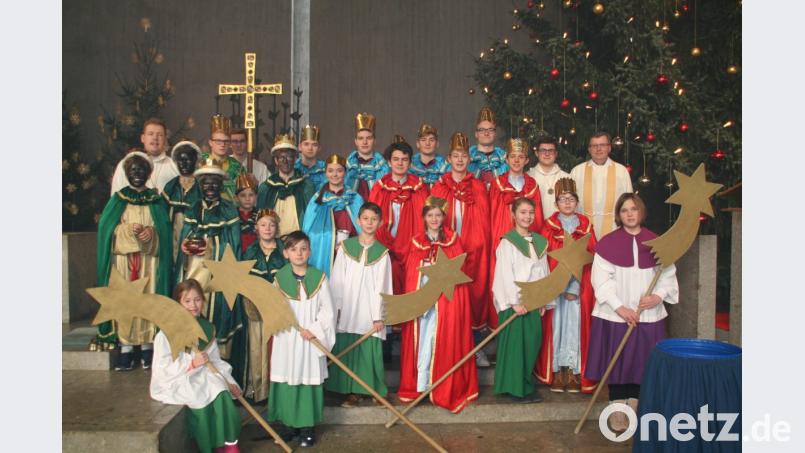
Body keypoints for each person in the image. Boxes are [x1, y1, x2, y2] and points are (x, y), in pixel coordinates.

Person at [586, 193, 679, 432]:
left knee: (642, 362)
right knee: (617, 361)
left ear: (641, 212)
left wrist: (658, 296)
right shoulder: (607, 243)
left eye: (634, 209)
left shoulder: (657, 242)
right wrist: (620, 307)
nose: (629, 214)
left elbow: (667, 276)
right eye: (624, 210)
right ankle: (618, 409)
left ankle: (635, 406)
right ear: (619, 215)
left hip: (648, 314)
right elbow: (600, 280)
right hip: (616, 314)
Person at [398, 196, 479, 413]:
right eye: (430, 215)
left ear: (444, 217)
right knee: (423, 340)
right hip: (423, 300)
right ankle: (421, 385)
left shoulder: (453, 240)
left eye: (438, 215)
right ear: (424, 217)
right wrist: (425, 269)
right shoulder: (416, 241)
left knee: (442, 339)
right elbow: (411, 270)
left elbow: (458, 273)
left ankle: (440, 384)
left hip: (445, 301)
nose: (434, 219)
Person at [96, 151, 173, 370]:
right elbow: (106, 231)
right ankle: (127, 347)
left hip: (149, 262)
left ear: (149, 174)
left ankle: (148, 345)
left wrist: (152, 234)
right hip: (124, 263)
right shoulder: (118, 200)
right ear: (126, 173)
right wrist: (127, 231)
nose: (137, 174)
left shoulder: (156, 200)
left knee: (148, 298)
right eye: (133, 170)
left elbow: (164, 231)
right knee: (125, 301)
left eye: (142, 170)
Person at [175, 158, 247, 387]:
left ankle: (219, 373)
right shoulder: (193, 208)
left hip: (219, 276)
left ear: (221, 184)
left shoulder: (228, 209)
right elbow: (185, 237)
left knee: (218, 315)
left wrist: (211, 247)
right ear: (200, 184)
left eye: (215, 182)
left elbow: (233, 246)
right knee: (193, 310)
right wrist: (186, 246)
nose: (210, 187)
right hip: (195, 271)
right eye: (206, 182)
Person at [150, 279, 242, 453]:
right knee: (198, 395)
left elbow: (215, 361)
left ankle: (227, 444)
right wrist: (190, 363)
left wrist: (229, 381)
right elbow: (162, 366)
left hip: (203, 372)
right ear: (178, 303)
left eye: (197, 299)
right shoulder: (167, 332)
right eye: (187, 301)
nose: (193, 305)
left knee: (221, 390)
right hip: (179, 377)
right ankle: (207, 446)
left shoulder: (206, 328)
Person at [268, 231, 336, 448]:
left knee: (307, 379)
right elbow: (273, 308)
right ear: (285, 253)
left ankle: (307, 428)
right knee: (287, 377)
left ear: (310, 252)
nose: (299, 253)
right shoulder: (279, 279)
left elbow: (328, 311)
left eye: (303, 249)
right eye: (294, 249)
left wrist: (314, 329)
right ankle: (288, 426)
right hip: (287, 339)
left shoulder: (319, 278)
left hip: (309, 340)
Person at [431, 132, 493, 366]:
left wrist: (478, 246)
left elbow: (485, 221)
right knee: (449, 298)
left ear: (469, 159)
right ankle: (448, 349)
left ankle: (475, 348)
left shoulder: (478, 186)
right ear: (448, 158)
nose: (459, 160)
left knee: (474, 296)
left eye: (464, 156)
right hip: (447, 252)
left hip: (473, 252)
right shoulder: (439, 186)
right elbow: (432, 220)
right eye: (455, 156)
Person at [326, 202, 393, 407]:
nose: (369, 223)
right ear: (358, 220)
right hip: (347, 308)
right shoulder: (346, 248)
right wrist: (336, 309)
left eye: (374, 219)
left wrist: (379, 316)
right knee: (347, 347)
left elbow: (383, 286)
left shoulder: (382, 253)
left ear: (380, 223)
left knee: (369, 350)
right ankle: (350, 391)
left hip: (369, 312)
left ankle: (373, 389)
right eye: (365, 218)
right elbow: (337, 281)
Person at [535, 178, 598, 394]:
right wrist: (557, 284)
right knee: (556, 327)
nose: (567, 203)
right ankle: (556, 371)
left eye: (571, 199)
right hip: (555, 289)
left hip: (577, 290)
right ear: (556, 203)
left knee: (574, 327)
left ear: (577, 202)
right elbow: (542, 259)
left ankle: (573, 370)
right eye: (562, 199)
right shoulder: (548, 227)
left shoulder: (586, 226)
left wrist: (574, 286)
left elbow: (591, 258)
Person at [492, 197, 549, 403]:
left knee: (531, 344)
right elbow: (504, 274)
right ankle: (516, 389)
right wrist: (514, 302)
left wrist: (543, 299)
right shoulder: (508, 242)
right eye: (523, 212)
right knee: (516, 347)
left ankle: (524, 384)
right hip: (515, 304)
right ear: (513, 215)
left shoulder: (539, 242)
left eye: (531, 212)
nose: (527, 216)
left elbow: (544, 271)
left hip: (533, 301)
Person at [368, 135, 429, 293]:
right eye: (396, 159)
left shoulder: (419, 187)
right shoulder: (379, 188)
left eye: (404, 159)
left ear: (410, 162)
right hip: (384, 247)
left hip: (412, 248)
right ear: (389, 162)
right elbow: (370, 220)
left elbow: (426, 221)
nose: (400, 163)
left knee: (411, 289)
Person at [242, 209, 287, 403]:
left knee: (278, 348)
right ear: (256, 228)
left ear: (277, 228)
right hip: (257, 306)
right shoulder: (251, 251)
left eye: (271, 224)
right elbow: (244, 281)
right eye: (263, 224)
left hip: (279, 307)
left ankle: (278, 389)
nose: (267, 228)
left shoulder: (284, 251)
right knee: (257, 347)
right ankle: (259, 390)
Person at [302, 154, 364, 276]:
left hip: (350, 249)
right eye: (330, 171)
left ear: (345, 172)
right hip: (324, 249)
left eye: (339, 171)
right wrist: (328, 239)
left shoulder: (355, 198)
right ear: (325, 173)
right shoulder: (317, 199)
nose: (335, 175)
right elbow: (308, 231)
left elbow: (363, 229)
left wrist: (350, 243)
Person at [569, 132, 633, 238]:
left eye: (602, 145)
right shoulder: (577, 171)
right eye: (594, 145)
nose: (598, 149)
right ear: (589, 149)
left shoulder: (621, 171)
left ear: (609, 148)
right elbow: (569, 202)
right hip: (583, 227)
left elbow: (629, 202)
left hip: (614, 227)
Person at [489, 138, 544, 256]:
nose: (516, 160)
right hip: (502, 234)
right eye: (513, 156)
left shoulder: (532, 186)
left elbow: (538, 218)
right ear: (507, 159)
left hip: (527, 237)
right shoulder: (497, 185)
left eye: (521, 157)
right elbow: (492, 214)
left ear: (526, 160)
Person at [256, 134, 314, 235]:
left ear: (295, 159)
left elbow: (312, 217)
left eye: (289, 157)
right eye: (281, 157)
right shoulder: (266, 188)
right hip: (274, 240)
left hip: (298, 240)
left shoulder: (306, 185)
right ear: (276, 161)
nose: (285, 161)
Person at [110, 118, 179, 194]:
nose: (155, 138)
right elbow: (116, 195)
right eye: (150, 134)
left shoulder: (174, 166)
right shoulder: (127, 164)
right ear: (143, 138)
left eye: (160, 135)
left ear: (165, 139)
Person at [163, 141, 202, 254]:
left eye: (188, 160)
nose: (183, 164)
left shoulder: (201, 186)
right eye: (180, 160)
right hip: (173, 235)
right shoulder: (171, 187)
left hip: (195, 235)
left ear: (195, 161)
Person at [345, 112, 389, 200]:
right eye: (360, 138)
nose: (365, 142)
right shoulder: (347, 166)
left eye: (369, 138)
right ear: (355, 141)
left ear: (374, 141)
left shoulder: (383, 167)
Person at [201, 114, 245, 201]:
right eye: (218, 141)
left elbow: (243, 195)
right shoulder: (200, 162)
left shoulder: (237, 167)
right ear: (210, 142)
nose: (223, 145)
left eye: (226, 141)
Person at [527, 136, 570, 220]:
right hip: (534, 224)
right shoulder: (528, 177)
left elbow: (572, 206)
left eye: (551, 150)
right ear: (536, 153)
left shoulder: (566, 178)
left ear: (556, 154)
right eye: (543, 150)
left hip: (559, 225)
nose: (547, 154)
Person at [468, 107, 508, 189]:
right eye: (482, 130)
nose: (486, 133)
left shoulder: (504, 158)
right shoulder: (466, 158)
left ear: (495, 133)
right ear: (476, 134)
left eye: (490, 129)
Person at [295, 124, 327, 190]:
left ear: (319, 148)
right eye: (306, 144)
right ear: (300, 147)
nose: (310, 148)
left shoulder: (327, 169)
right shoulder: (293, 168)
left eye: (314, 145)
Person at [235, 174, 259, 254]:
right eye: (243, 195)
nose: (247, 199)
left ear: (256, 197)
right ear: (236, 198)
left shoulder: (261, 216)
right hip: (235, 256)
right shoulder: (231, 216)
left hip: (256, 256)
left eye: (251, 195)